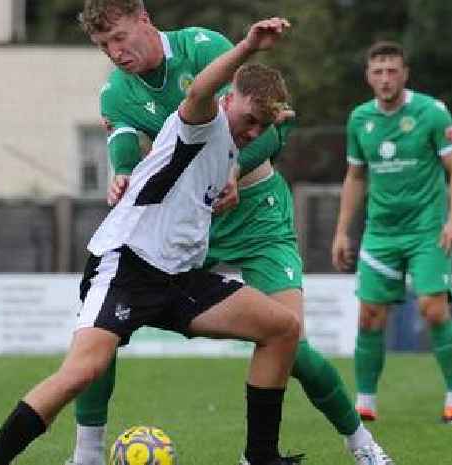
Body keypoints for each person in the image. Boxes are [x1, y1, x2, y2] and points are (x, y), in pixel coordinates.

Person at [70, 1, 394, 465]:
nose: (115, 52)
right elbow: (123, 140)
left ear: (143, 17)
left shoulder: (204, 49)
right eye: (103, 45)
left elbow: (276, 123)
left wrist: (232, 170)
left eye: (120, 37)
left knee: (291, 344)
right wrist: (121, 172)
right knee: (100, 328)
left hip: (257, 214)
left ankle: (362, 445)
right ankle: (87, 455)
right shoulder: (116, 92)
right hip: (185, 228)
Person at [0, 17, 304, 465]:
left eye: (261, 126)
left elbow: (256, 129)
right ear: (228, 101)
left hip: (180, 277)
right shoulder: (203, 121)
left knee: (282, 329)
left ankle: (260, 457)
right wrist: (247, 46)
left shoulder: (234, 144)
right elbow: (198, 91)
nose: (252, 132)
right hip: (128, 264)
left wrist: (262, 128)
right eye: (248, 119)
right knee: (80, 373)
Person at [331, 40, 452, 425]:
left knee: (433, 309)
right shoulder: (360, 119)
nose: (385, 78)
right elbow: (356, 176)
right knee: (369, 317)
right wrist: (343, 231)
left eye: (392, 70)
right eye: (378, 71)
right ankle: (365, 404)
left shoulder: (431, 112)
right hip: (381, 233)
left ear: (405, 74)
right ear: (368, 77)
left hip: (428, 230)